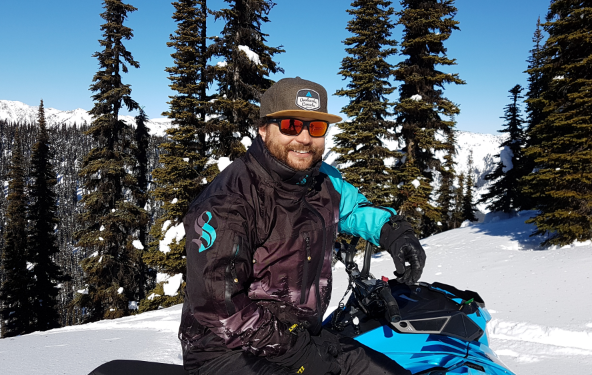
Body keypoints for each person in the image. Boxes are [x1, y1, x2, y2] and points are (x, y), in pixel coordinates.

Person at [179, 77, 426, 375]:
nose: (305, 138)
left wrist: (394, 232)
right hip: (226, 350)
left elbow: (352, 210)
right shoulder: (230, 200)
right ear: (263, 127)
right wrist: (297, 351)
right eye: (291, 126)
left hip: (301, 336)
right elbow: (218, 304)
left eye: (316, 127)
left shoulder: (321, 180)